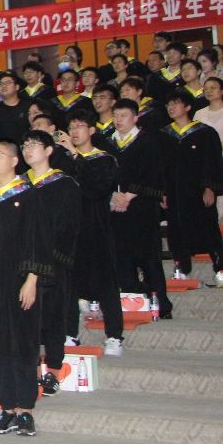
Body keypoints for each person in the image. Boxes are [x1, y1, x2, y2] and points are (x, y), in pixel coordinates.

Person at [0, 141, 49, 437]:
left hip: (19, 280)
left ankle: (25, 409)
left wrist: (32, 279)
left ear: (15, 161)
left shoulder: (28, 195)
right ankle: (7, 408)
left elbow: (37, 239)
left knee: (22, 343)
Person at [55, 113, 125, 354]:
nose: (74, 131)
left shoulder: (105, 159)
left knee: (106, 282)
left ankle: (114, 336)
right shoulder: (62, 161)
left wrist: (76, 155)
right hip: (70, 229)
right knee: (69, 284)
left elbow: (97, 189)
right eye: (71, 127)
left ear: (92, 130)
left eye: (79, 126)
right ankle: (69, 334)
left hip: (96, 227)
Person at [21, 130, 80, 396]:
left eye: (34, 145)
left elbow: (68, 226)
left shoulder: (64, 184)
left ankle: (53, 371)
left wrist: (48, 253)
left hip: (53, 261)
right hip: (22, 264)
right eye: (24, 145)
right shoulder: (19, 184)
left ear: (48, 150)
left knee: (54, 318)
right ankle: (31, 371)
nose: (27, 149)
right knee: (27, 320)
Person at [110, 98, 172, 317]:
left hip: (142, 207)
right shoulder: (109, 144)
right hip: (117, 208)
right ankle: (132, 302)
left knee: (149, 258)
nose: (118, 120)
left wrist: (129, 195)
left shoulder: (147, 142)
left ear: (135, 118)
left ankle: (161, 304)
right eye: (115, 116)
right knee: (122, 257)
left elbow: (152, 174)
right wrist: (114, 195)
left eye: (123, 116)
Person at [161, 90, 223, 282]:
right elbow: (160, 167)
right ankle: (181, 268)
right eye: (169, 104)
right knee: (176, 229)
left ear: (187, 107)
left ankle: (220, 268)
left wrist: (209, 187)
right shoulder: (163, 135)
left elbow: (212, 163)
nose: (171, 107)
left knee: (209, 228)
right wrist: (162, 192)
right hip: (174, 192)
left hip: (198, 191)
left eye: (176, 103)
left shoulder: (205, 133)